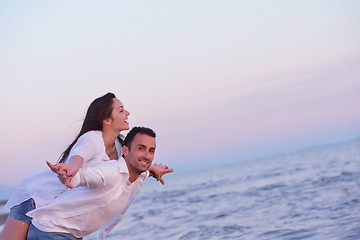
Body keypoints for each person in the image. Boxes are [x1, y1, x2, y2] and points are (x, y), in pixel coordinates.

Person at [0, 93, 173, 240]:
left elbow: (130, 166)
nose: (127, 113)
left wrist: (152, 169)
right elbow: (78, 158)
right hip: (37, 197)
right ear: (106, 119)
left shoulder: (120, 146)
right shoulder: (92, 139)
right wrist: (73, 169)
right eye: (121, 110)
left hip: (61, 212)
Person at [27, 126, 162, 239]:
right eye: (141, 148)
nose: (146, 155)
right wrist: (69, 175)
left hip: (69, 234)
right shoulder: (110, 172)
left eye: (151, 151)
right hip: (51, 231)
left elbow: (146, 171)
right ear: (126, 150)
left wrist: (156, 170)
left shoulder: (140, 174)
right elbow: (85, 177)